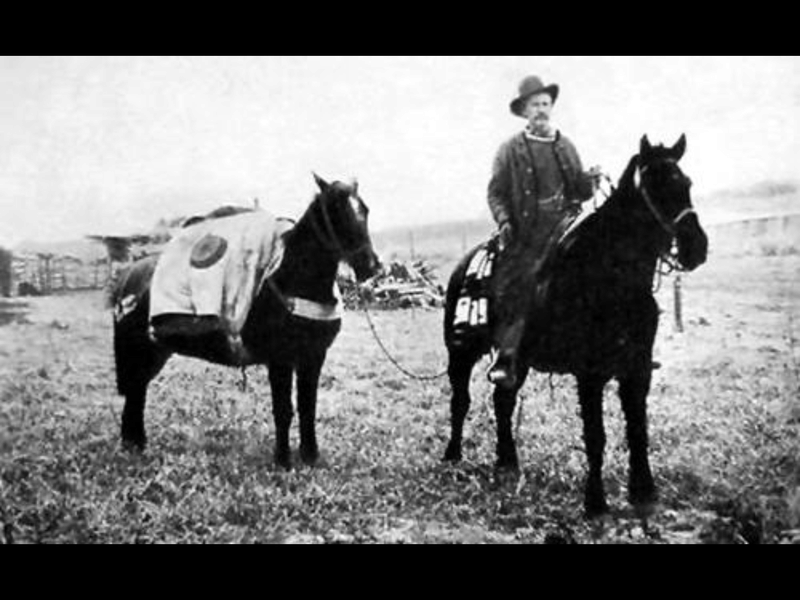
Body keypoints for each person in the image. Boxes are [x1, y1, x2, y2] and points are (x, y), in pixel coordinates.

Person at [486, 75, 602, 389]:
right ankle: (508, 355)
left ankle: (608, 347)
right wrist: (504, 220)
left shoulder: (565, 145)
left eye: (546, 104)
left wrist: (590, 181)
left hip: (565, 227)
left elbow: (580, 191)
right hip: (527, 234)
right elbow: (495, 192)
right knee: (520, 281)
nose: (541, 110)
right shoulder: (509, 150)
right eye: (535, 105)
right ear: (524, 111)